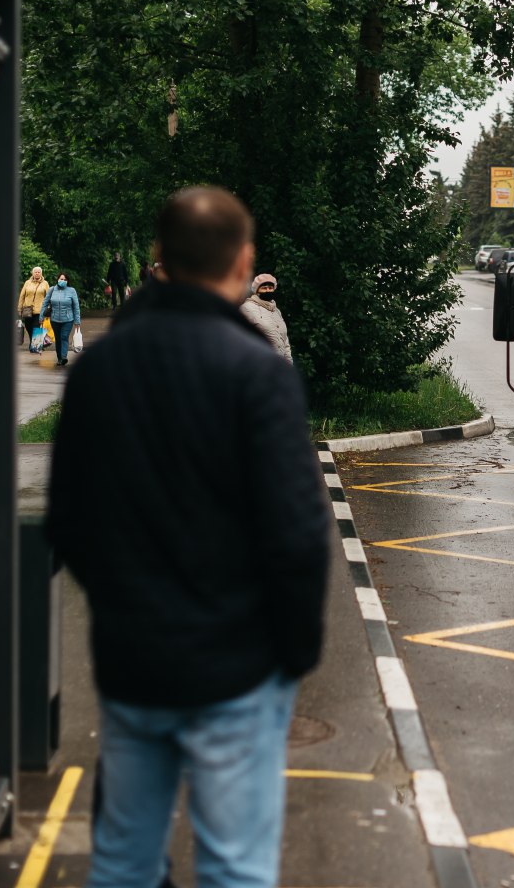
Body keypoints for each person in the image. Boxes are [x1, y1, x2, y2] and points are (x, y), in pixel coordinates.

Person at [45, 186, 329, 888]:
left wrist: (122, 607)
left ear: (158, 262)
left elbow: (68, 518)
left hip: (133, 659)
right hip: (237, 669)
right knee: (234, 868)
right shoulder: (259, 373)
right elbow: (296, 535)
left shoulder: (99, 371)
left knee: (123, 863)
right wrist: (290, 656)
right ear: (243, 262)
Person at [239, 273, 292, 363]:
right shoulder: (246, 308)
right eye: (264, 288)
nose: (268, 290)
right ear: (256, 290)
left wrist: (289, 364)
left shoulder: (277, 311)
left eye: (270, 288)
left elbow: (285, 341)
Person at [41, 272, 82, 368]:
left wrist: (77, 321)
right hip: (54, 319)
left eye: (64, 279)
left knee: (64, 337)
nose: (62, 281)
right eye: (61, 279)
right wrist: (41, 317)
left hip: (68, 319)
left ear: (67, 281)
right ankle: (59, 358)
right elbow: (45, 303)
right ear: (57, 279)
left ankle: (64, 357)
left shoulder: (72, 291)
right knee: (58, 339)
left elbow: (76, 307)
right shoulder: (52, 290)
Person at [17, 266, 49, 351]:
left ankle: (36, 347)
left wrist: (48, 309)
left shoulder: (45, 283)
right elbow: (22, 296)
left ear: (41, 273)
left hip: (39, 310)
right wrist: (19, 308)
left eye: (39, 272)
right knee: (28, 327)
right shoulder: (27, 282)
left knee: (36, 327)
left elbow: (48, 297)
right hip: (27, 310)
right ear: (33, 273)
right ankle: (34, 342)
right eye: (35, 272)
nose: (37, 273)